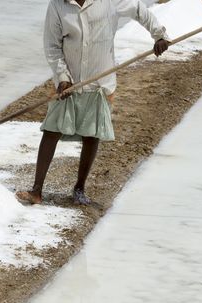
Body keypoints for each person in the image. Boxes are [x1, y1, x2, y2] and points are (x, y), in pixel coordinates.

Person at [16, 0, 169, 205]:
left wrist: (159, 35)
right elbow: (52, 46)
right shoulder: (58, 5)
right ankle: (36, 190)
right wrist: (62, 76)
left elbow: (140, 10)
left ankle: (79, 189)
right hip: (69, 83)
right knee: (52, 131)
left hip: (99, 83)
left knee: (91, 134)